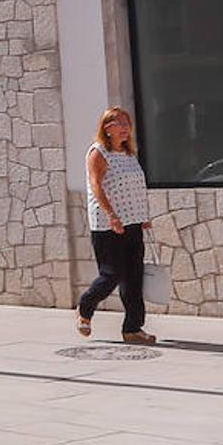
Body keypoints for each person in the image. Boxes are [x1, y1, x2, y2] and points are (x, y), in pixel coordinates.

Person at [77, 106, 157, 344]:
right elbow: (96, 186)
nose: (126, 128)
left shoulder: (129, 153)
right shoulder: (98, 152)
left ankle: (132, 328)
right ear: (107, 128)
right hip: (107, 224)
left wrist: (143, 215)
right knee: (111, 274)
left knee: (134, 277)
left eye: (127, 123)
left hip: (133, 222)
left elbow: (135, 187)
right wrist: (112, 215)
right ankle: (85, 307)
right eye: (120, 123)